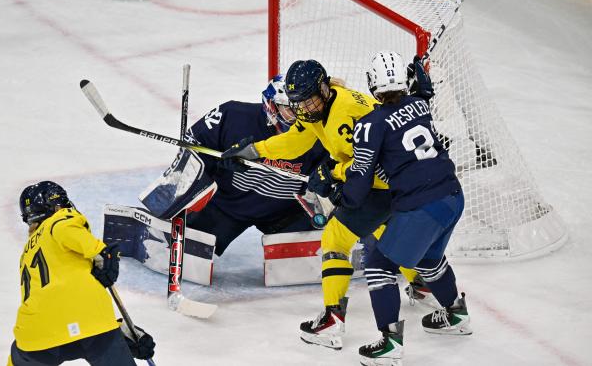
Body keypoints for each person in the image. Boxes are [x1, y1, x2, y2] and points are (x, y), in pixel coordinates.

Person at [221, 60, 417, 350]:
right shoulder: (319, 109)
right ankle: (425, 285)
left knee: (336, 237)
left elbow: (367, 163)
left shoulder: (344, 113)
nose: (305, 109)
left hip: (387, 181)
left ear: (325, 89)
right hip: (394, 181)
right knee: (382, 229)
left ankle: (332, 320)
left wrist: (332, 173)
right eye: (299, 103)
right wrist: (254, 151)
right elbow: (295, 141)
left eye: (311, 101)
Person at [340, 51, 470, 365]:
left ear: (372, 83)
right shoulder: (419, 104)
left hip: (422, 205)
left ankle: (389, 343)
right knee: (428, 258)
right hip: (453, 197)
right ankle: (456, 315)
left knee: (378, 264)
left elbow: (358, 185)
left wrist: (338, 194)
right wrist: (423, 85)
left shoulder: (370, 124)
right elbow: (422, 95)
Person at [142, 76, 329, 258]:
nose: (299, 117)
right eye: (290, 109)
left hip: (285, 212)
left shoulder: (320, 133)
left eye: (303, 109)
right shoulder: (232, 115)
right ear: (272, 106)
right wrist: (214, 163)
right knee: (183, 251)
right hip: (227, 207)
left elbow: (333, 175)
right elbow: (194, 146)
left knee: (315, 251)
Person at [9, 181, 155, 366]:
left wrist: (119, 330)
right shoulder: (59, 221)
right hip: (90, 323)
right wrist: (103, 253)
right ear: (57, 205)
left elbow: (54, 304)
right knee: (100, 338)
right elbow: (67, 229)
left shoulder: (27, 253)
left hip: (35, 335)